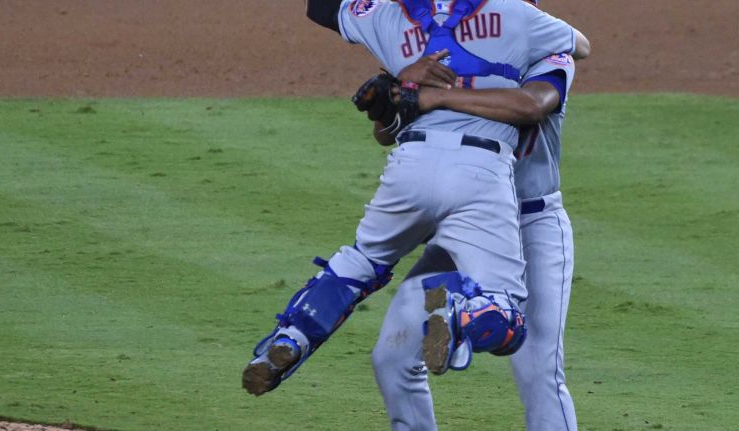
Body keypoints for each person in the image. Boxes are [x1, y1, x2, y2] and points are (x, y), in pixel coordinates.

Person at [242, 0, 589, 398]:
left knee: (359, 262)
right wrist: (397, 92)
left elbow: (321, 7)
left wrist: (413, 91)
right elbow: (580, 43)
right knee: (503, 317)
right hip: (482, 185)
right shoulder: (521, 19)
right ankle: (457, 312)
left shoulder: (392, 20)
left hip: (425, 176)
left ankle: (292, 336)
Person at [369, 12, 583, 429]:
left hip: (531, 227)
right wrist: (397, 94)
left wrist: (436, 97)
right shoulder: (450, 52)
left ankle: (456, 308)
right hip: (462, 229)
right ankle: (456, 303)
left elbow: (531, 105)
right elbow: (387, 131)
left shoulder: (548, 51)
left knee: (537, 370)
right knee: (392, 358)